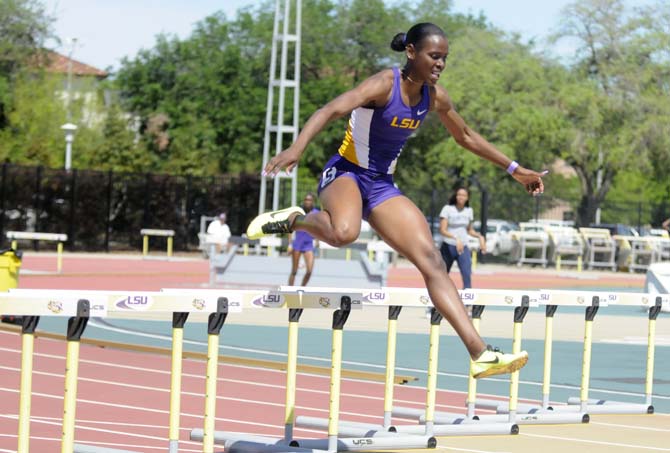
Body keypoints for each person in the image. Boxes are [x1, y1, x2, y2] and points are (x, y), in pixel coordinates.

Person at [247, 22, 548, 379]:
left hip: (381, 185)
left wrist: (514, 168)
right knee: (344, 232)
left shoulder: (434, 97)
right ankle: (297, 219)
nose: (440, 64)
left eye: (445, 58)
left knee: (432, 260)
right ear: (411, 52)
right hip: (346, 172)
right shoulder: (382, 84)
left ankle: (480, 353)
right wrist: (297, 148)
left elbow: (465, 135)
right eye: (434, 56)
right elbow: (329, 110)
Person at [439, 187, 486, 289]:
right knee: (442, 275)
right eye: (459, 194)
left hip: (463, 247)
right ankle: (436, 302)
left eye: (463, 195)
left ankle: (467, 302)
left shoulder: (469, 211)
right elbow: (442, 230)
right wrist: (456, 238)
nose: (461, 197)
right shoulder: (447, 209)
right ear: (455, 196)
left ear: (467, 198)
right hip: (448, 246)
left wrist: (479, 236)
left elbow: (469, 230)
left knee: (467, 274)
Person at [288, 193, 319, 286]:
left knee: (309, 271)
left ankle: (302, 288)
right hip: (297, 244)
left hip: (309, 244)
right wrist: (289, 245)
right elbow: (290, 228)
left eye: (309, 200)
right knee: (294, 271)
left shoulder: (317, 213)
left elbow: (320, 228)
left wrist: (317, 240)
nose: (307, 201)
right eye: (306, 199)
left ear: (313, 202)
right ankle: (290, 290)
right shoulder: (298, 212)